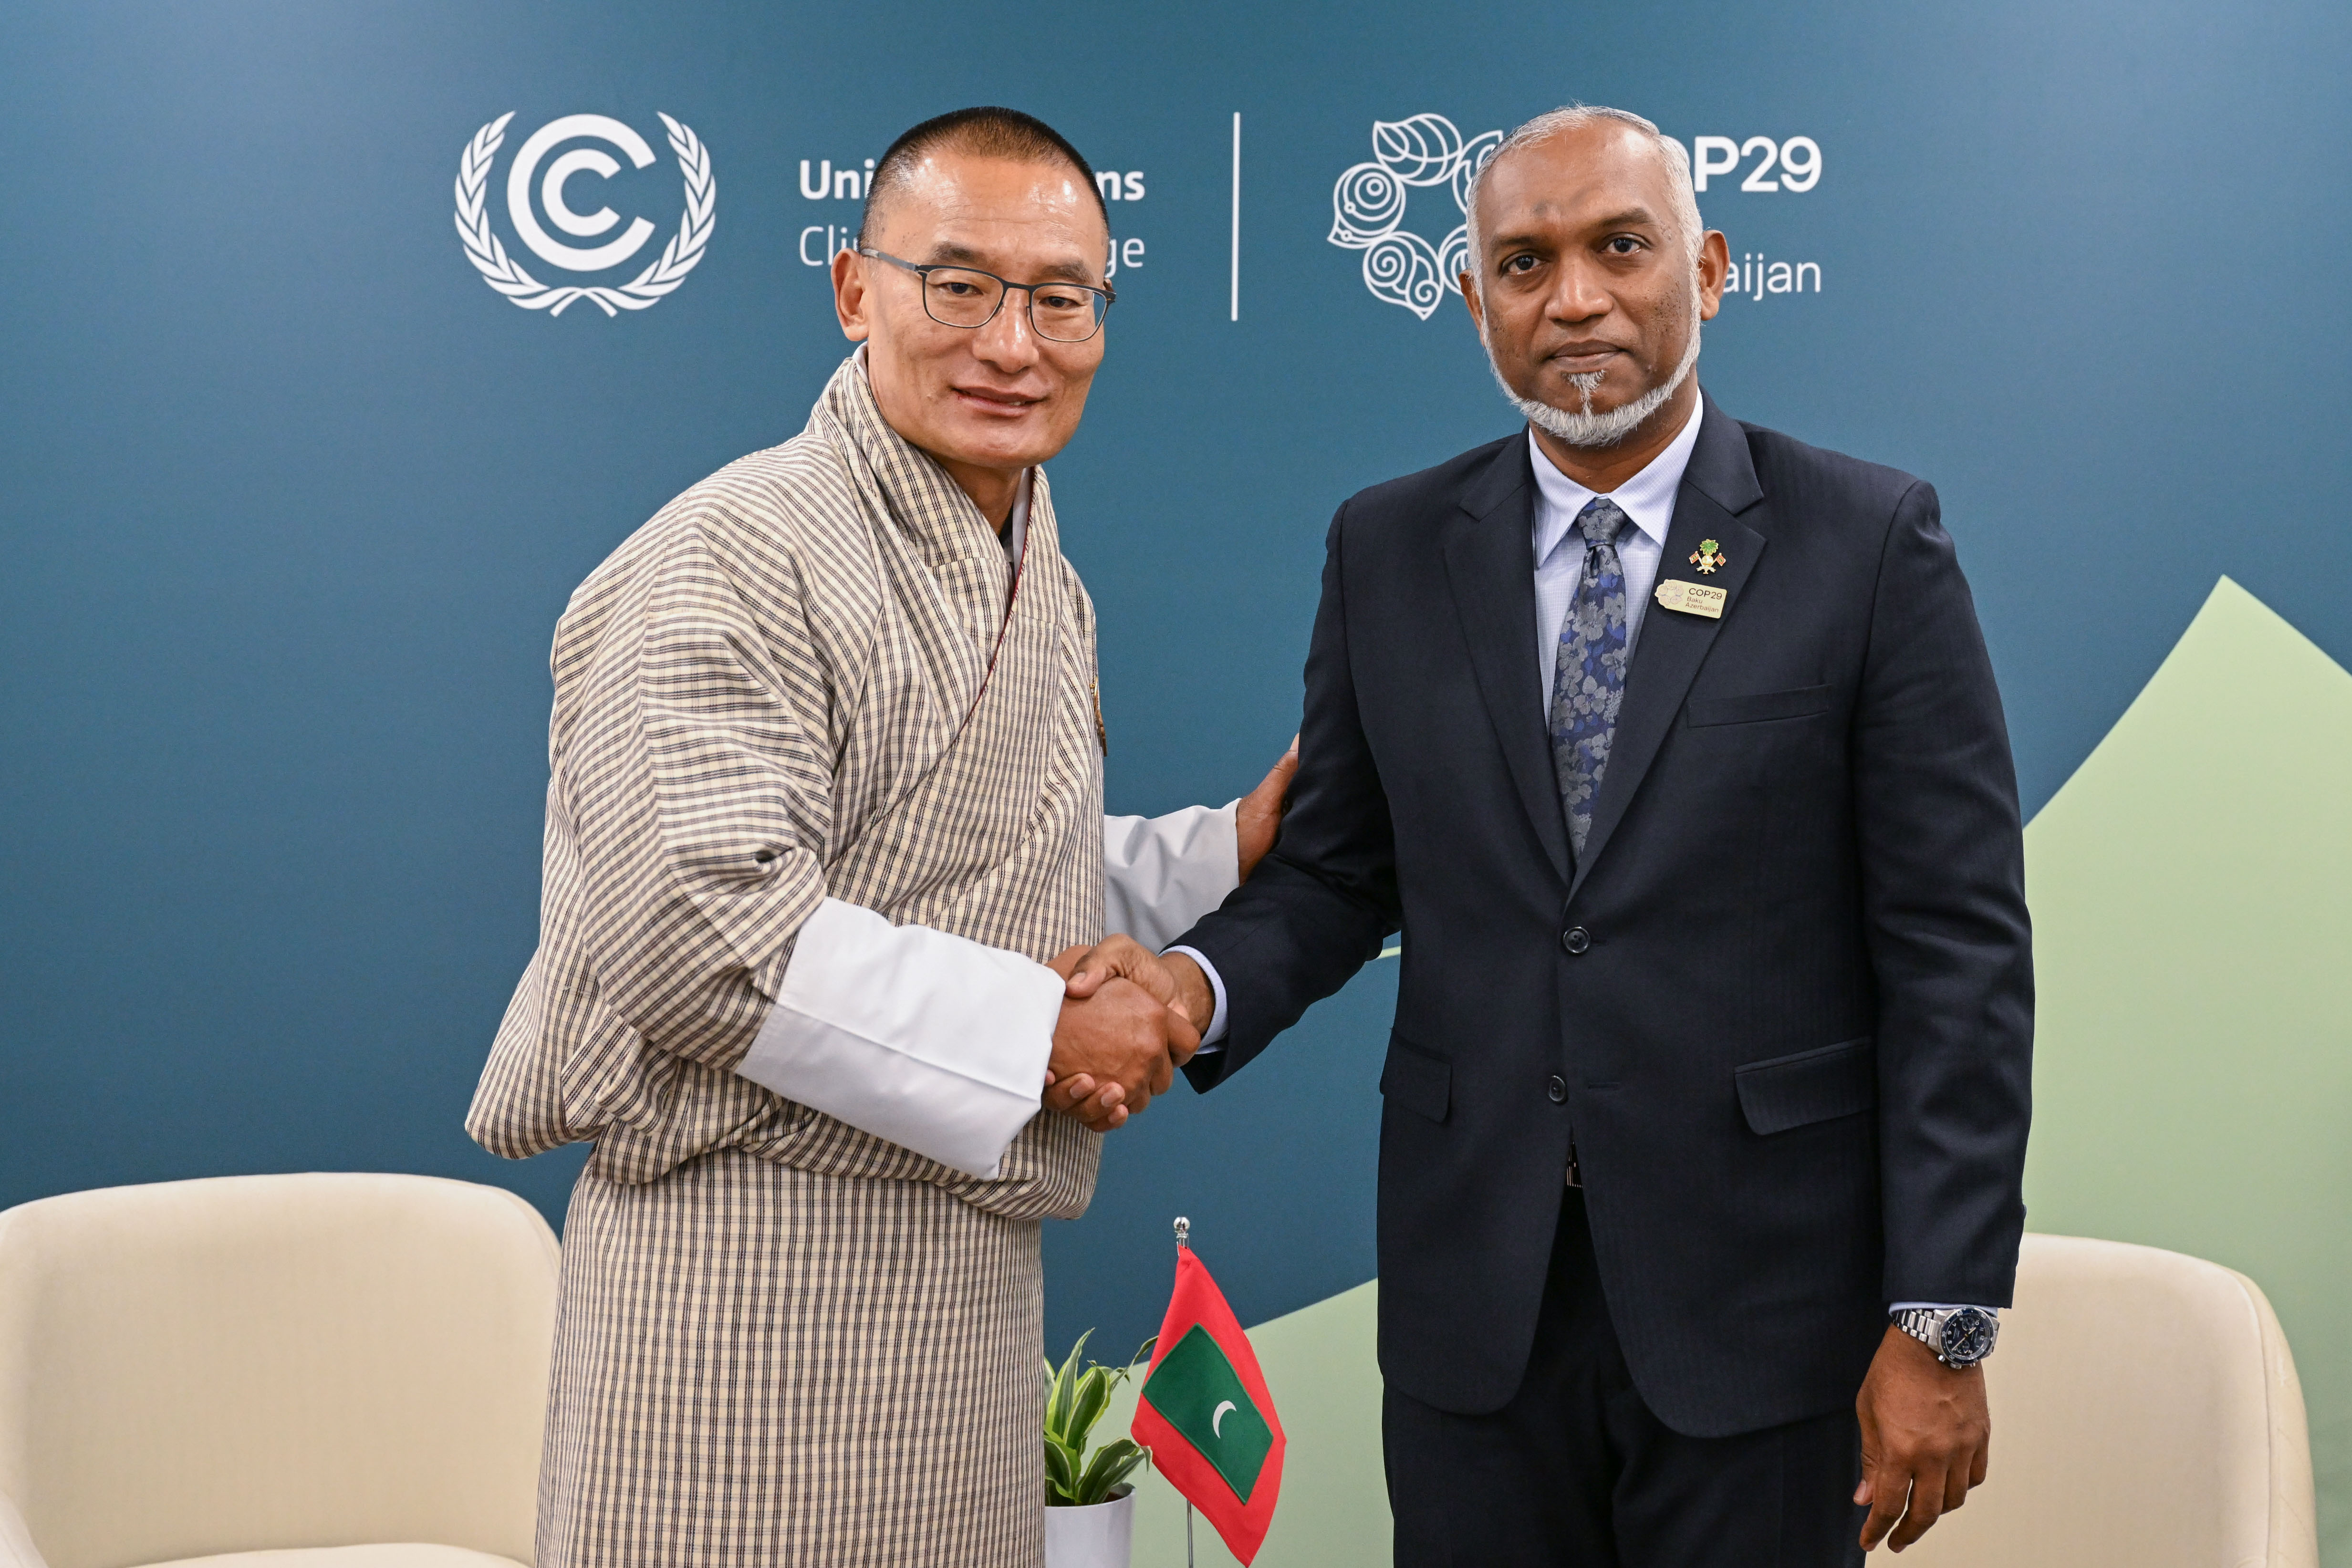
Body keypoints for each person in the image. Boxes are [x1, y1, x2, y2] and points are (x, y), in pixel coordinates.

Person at [1067, 104, 2032, 1564]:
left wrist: (1941, 1325)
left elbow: (1955, 957)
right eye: (1522, 263)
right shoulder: (1387, 548)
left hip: (1765, 1319)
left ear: (1705, 271)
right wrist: (1187, 991)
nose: (1571, 297)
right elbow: (1333, 872)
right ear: (1472, 301)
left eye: (1617, 248)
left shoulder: (1865, 543)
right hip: (1477, 1315)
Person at [466, 106, 1290, 1567]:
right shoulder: (727, 553)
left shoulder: (1037, 565)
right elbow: (705, 935)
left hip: (961, 1277)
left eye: (1059, 297)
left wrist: (1229, 848)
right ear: (856, 290)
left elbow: (969, 861)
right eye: (956, 284)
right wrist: (1049, 1032)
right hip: (742, 1271)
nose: (1011, 342)